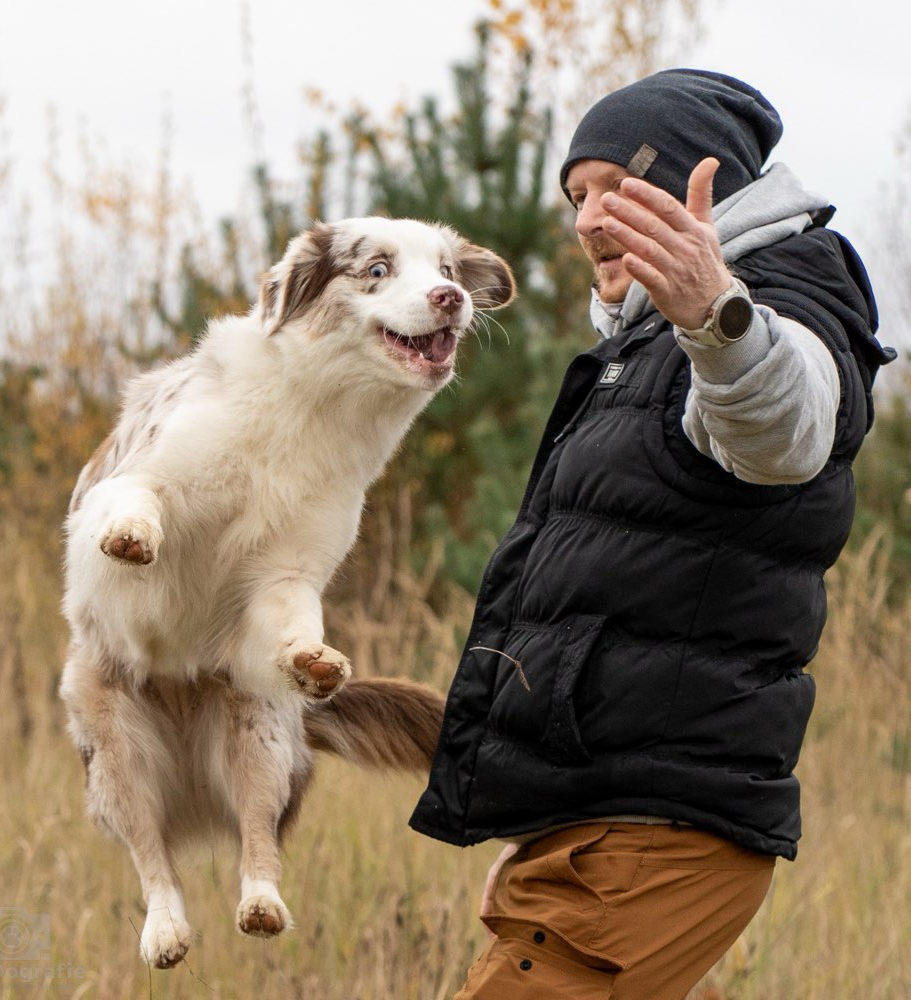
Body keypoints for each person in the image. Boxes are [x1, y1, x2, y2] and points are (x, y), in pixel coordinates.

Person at [409, 68, 895, 999]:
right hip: (602, 829)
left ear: (693, 185)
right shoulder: (635, 352)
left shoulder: (782, 294)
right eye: (576, 197)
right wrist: (544, 824)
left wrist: (721, 322)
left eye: (614, 188)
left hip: (656, 833)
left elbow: (789, 430)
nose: (586, 219)